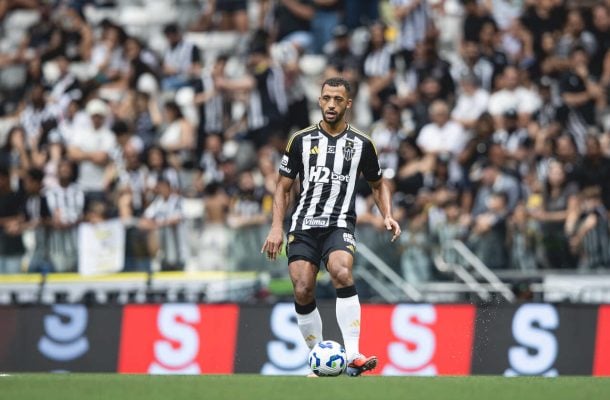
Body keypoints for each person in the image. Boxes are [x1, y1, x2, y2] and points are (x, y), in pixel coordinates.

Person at [261, 77, 401, 376]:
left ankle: (352, 355)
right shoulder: (301, 140)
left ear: (348, 104)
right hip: (304, 224)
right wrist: (275, 228)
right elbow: (283, 187)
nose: (331, 104)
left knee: (341, 271)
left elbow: (378, 184)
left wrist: (387, 214)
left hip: (339, 223)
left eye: (338, 99)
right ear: (319, 101)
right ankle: (318, 360)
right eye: (326, 98)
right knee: (302, 288)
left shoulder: (362, 143)